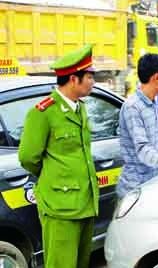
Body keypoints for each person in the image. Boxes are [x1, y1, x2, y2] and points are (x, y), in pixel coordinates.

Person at [18, 45, 98, 268]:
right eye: (89, 77)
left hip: (85, 201)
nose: (93, 81)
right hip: (60, 206)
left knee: (81, 263)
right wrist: (53, 177)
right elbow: (27, 157)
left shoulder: (79, 108)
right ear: (74, 79)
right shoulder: (43, 113)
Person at [117, 54, 158, 198]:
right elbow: (142, 148)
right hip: (135, 190)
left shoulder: (153, 103)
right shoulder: (133, 107)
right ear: (156, 78)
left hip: (151, 183)